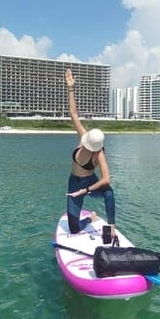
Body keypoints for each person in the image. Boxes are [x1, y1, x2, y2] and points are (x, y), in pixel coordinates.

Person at [64, 69, 116, 241]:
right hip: (74, 182)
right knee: (73, 229)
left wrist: (85, 190)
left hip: (89, 183)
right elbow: (73, 113)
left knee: (109, 193)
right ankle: (91, 217)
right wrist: (71, 88)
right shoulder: (84, 136)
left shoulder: (98, 154)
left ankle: (111, 225)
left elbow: (106, 179)